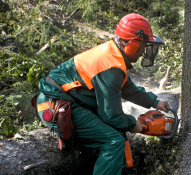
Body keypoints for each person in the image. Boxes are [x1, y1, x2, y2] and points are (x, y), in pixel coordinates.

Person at [35, 13, 170, 175]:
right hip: (57, 105)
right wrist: (140, 126)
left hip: (67, 101)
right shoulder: (111, 67)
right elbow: (111, 116)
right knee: (114, 142)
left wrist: (155, 102)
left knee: (113, 133)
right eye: (143, 46)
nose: (143, 52)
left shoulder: (113, 56)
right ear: (132, 44)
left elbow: (128, 89)